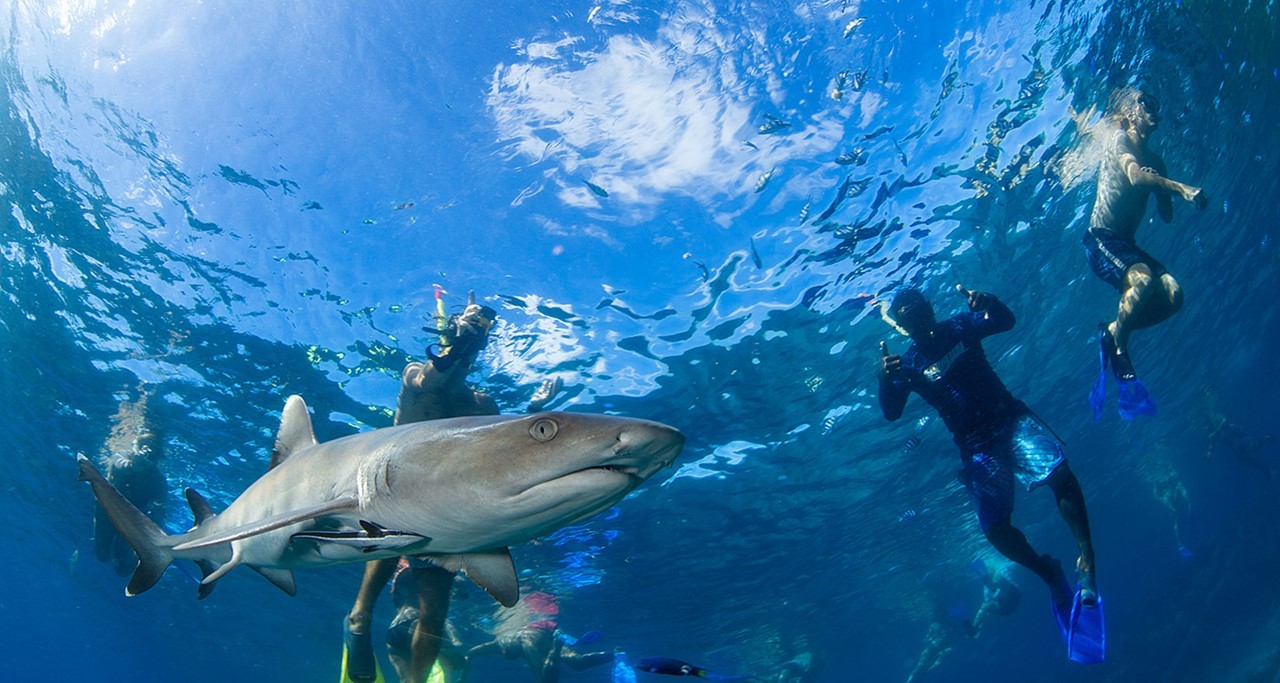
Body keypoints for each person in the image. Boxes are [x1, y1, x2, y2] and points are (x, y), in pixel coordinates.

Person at [342, 291, 562, 683]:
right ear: (448, 338)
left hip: (446, 514)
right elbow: (431, 376)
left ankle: (415, 681)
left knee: (435, 615)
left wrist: (534, 412)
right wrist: (458, 341)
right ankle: (358, 623)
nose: (467, 354)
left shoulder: (483, 404)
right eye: (462, 342)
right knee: (380, 568)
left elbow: (503, 445)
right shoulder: (416, 377)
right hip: (395, 496)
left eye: (475, 345)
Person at [878, 286, 1098, 626]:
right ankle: (1048, 572)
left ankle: (1086, 557)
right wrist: (882, 378)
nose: (919, 319)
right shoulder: (907, 365)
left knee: (1059, 474)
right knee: (995, 529)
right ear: (904, 326)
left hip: (1009, 420)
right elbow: (892, 412)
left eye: (919, 309)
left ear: (931, 309)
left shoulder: (960, 327)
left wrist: (991, 302)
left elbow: (1005, 321)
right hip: (975, 447)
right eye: (908, 315)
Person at [1081, 87, 1207, 417]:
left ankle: (1114, 331)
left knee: (1174, 295)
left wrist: (1163, 192)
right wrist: (1181, 188)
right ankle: (1117, 339)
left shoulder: (1156, 160)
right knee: (1144, 281)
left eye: (1154, 102)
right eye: (1144, 101)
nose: (1152, 108)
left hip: (1127, 245)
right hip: (1101, 240)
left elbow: (1165, 217)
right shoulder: (1119, 139)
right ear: (1129, 111)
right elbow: (1135, 179)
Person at [93, 390, 166, 576]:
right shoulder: (122, 456)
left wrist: (155, 518)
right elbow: (118, 465)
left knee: (124, 568)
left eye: (152, 449)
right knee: (101, 555)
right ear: (135, 445)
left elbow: (160, 509)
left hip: (133, 519)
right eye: (142, 445)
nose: (146, 450)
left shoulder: (157, 478)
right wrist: (134, 465)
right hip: (107, 510)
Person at [466, 618, 610, 683]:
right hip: (544, 631)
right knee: (578, 663)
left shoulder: (500, 643)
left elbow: (476, 650)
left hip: (529, 637)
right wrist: (468, 657)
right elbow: (474, 651)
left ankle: (556, 645)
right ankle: (614, 654)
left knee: (544, 679)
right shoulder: (501, 642)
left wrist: (467, 658)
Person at [1202, 385, 1275, 479]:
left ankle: (1266, 438)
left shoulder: (1217, 418)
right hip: (1235, 446)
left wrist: (1216, 432)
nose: (1207, 428)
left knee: (1252, 447)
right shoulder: (1212, 434)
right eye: (1206, 427)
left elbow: (1225, 422)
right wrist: (1209, 454)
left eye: (1207, 425)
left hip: (1239, 436)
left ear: (1209, 421)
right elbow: (1211, 444)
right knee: (1244, 460)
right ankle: (1266, 469)